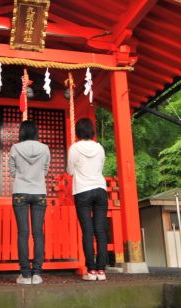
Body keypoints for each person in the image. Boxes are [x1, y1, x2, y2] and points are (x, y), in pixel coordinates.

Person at [9, 120, 50, 285]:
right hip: (39, 191)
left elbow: (12, 170)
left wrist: (22, 177)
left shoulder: (15, 148)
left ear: (22, 132)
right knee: (38, 232)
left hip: (20, 190)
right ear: (35, 132)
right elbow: (45, 169)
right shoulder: (44, 148)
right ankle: (37, 274)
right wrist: (37, 178)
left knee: (23, 233)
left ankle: (25, 274)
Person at [68, 118, 107, 281]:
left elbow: (70, 170)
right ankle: (101, 271)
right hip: (100, 189)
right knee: (100, 230)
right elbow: (101, 167)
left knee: (88, 231)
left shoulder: (75, 148)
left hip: (82, 190)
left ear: (77, 131)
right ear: (92, 131)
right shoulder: (99, 148)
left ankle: (91, 270)